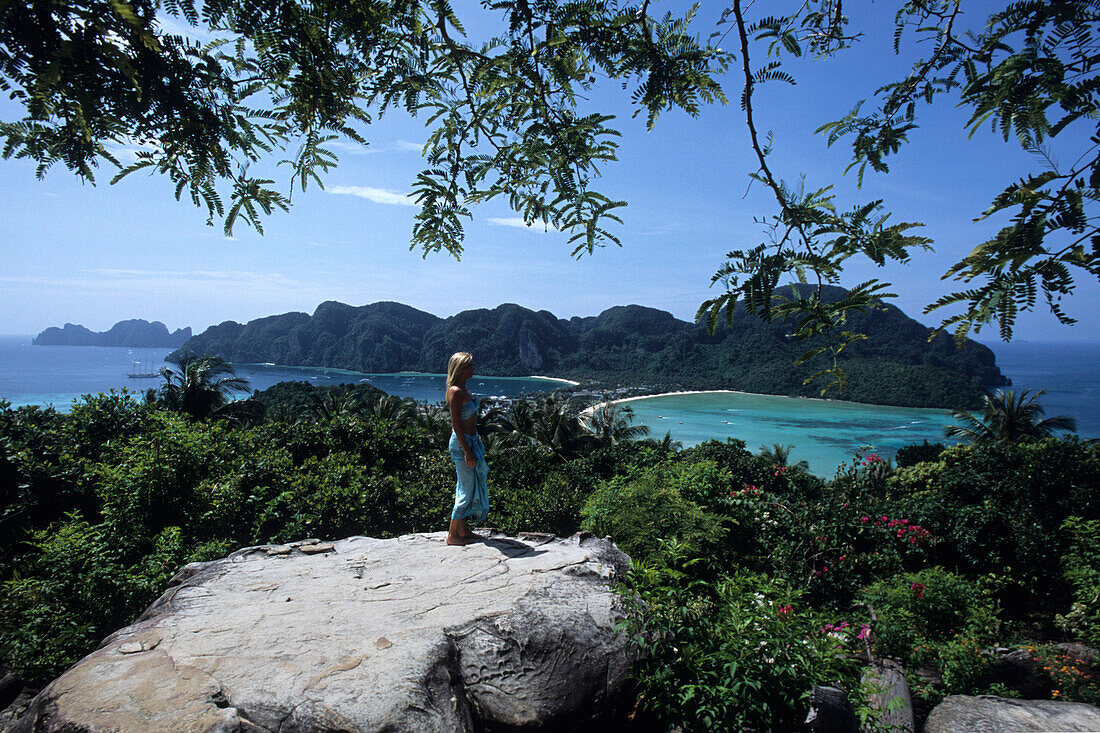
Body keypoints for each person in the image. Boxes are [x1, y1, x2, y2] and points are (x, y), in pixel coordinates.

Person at [445, 352, 489, 545]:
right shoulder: (455, 391)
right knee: (466, 488)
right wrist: (467, 452)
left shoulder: (464, 389)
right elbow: (456, 425)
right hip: (462, 445)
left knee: (468, 486)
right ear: (462, 368)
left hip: (470, 442)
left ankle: (463, 529)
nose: (474, 369)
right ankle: (452, 535)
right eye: (470, 365)